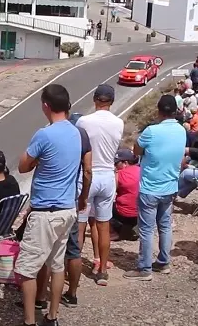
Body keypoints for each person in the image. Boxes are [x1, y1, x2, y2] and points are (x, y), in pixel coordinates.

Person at [15, 84, 80, 326]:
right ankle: (52, 316)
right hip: (67, 209)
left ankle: (29, 320)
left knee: (27, 269)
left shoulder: (44, 134)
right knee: (56, 263)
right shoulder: (75, 133)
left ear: (46, 106)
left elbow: (23, 165)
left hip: (45, 212)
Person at [124, 95, 187, 281]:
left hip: (150, 187)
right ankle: (164, 261)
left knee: (146, 229)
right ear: (175, 111)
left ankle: (144, 268)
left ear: (159, 111)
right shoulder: (181, 130)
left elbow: (137, 150)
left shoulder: (151, 131)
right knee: (165, 225)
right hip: (170, 186)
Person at [75, 84, 123, 286]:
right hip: (107, 175)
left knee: (80, 225)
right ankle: (102, 270)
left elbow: (79, 148)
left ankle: (73, 267)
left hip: (88, 174)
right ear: (111, 101)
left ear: (95, 100)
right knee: (104, 226)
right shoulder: (118, 123)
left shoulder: (84, 121)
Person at [60, 112, 91, 307]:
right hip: (72, 197)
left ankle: (40, 297)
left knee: (50, 251)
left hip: (55, 199)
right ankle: (72, 293)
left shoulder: (58, 138)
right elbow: (88, 171)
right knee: (73, 250)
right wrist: (83, 197)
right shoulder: (82, 138)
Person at [112, 149, 140, 240]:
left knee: (101, 203)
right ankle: (132, 229)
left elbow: (110, 192)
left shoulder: (119, 174)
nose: (115, 165)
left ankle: (113, 233)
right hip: (141, 212)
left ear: (125, 163)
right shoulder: (142, 170)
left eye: (116, 163)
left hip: (124, 212)